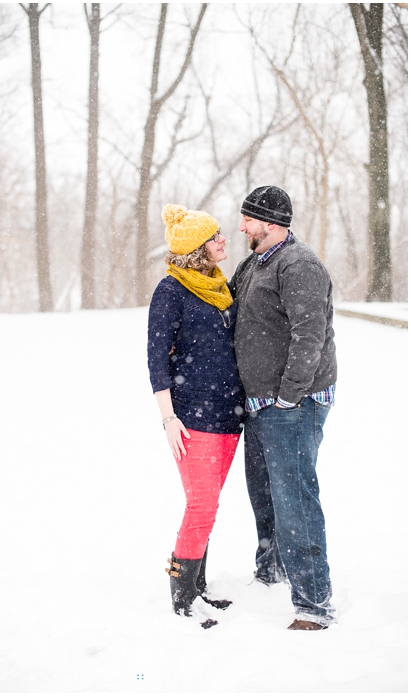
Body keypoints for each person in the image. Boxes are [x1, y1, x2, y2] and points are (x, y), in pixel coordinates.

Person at [228, 185, 337, 631]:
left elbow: (308, 337)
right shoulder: (255, 263)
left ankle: (313, 603)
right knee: (264, 491)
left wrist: (289, 396)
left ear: (270, 224)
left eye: (248, 220)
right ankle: (270, 569)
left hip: (293, 403)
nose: (241, 227)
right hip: (260, 403)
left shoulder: (300, 266)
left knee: (294, 497)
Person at [148, 203, 245, 628]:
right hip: (192, 417)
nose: (223, 239)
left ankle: (198, 585)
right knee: (201, 504)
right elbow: (156, 361)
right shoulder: (171, 291)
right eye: (215, 236)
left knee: (210, 505)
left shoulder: (220, 286)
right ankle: (183, 597)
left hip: (228, 415)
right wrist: (169, 419)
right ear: (196, 248)